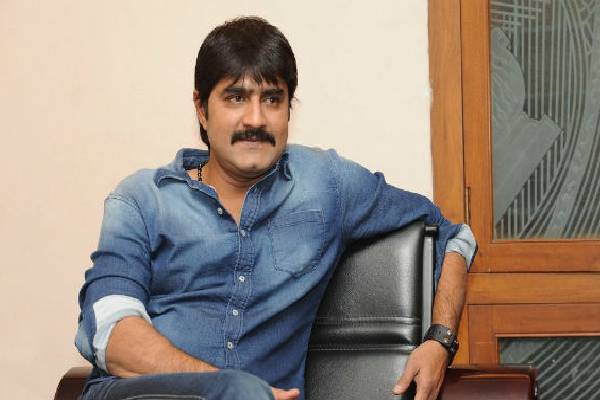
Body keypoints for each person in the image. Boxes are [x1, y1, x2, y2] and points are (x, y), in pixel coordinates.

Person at [75, 16, 476, 400]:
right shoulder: (142, 198)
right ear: (201, 108)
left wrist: (439, 341)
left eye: (272, 99)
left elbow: (453, 235)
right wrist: (227, 390)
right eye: (236, 98)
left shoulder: (326, 185)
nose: (255, 119)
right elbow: (109, 330)